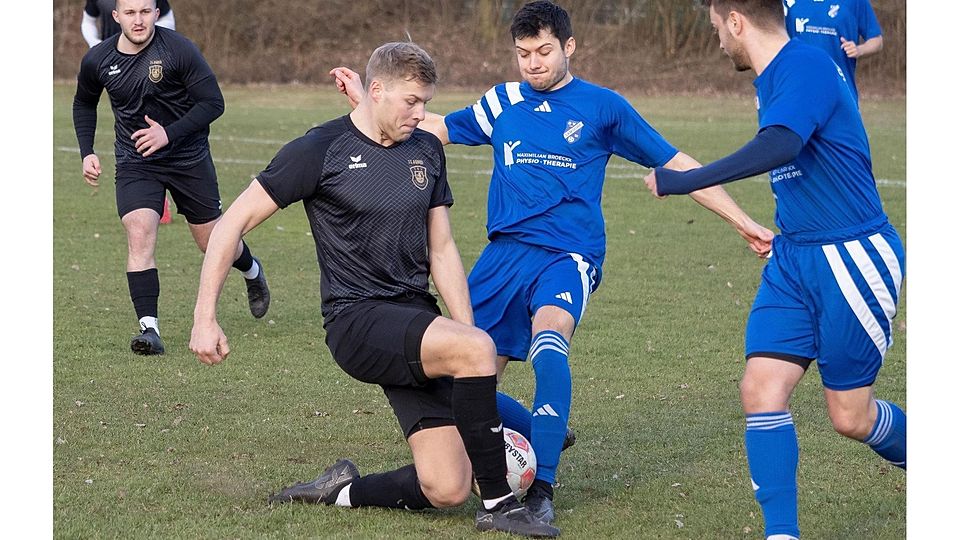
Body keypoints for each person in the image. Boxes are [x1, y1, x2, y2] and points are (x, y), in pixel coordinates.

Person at [331, 0, 774, 524]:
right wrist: (368, 100)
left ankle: (540, 491)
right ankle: (544, 429)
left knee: (549, 339)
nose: (533, 63)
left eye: (544, 52)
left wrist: (740, 218)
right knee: (463, 383)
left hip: (567, 254)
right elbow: (432, 127)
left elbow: (674, 160)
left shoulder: (603, 107)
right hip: (502, 258)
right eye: (523, 54)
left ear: (569, 47)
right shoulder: (504, 101)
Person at [188, 41, 560, 538]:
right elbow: (229, 225)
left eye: (426, 102)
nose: (421, 113)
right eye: (411, 102)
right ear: (377, 90)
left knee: (446, 486)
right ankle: (499, 504)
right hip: (357, 321)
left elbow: (443, 249)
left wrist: (466, 333)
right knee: (475, 356)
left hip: (413, 316)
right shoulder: (320, 150)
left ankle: (338, 490)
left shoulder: (424, 150)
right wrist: (203, 317)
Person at [643, 1, 906, 538]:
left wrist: (685, 180)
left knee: (850, 417)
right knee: (760, 390)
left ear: (736, 21)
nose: (717, 41)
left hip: (849, 256)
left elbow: (783, 143)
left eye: (718, 29)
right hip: (793, 258)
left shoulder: (805, 63)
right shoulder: (772, 78)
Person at [72, 0, 270, 356]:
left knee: (212, 242)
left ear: (156, 14)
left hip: (188, 158)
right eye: (130, 13)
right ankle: (150, 328)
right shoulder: (98, 59)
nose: (138, 20)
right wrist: (87, 150)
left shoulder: (178, 49)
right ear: (115, 16)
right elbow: (84, 103)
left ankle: (252, 270)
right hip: (137, 161)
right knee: (139, 230)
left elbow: (213, 103)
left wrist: (168, 133)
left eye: (145, 12)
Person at [783, 0, 882, 102]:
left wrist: (859, 50)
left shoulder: (855, 2)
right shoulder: (787, 3)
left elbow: (876, 40)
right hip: (797, 92)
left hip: (840, 94)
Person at [82, 0, 175, 48]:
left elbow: (167, 19)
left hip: (149, 54)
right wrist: (95, 44)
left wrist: (152, 40)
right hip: (111, 57)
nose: (138, 21)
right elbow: (88, 21)